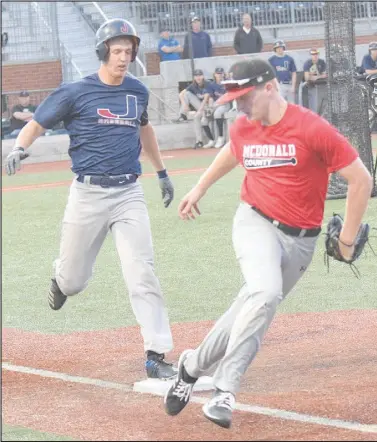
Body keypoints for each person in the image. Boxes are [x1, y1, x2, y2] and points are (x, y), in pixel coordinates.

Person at [163, 58, 372, 428]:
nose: (239, 106)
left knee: (251, 304)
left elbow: (361, 179)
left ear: (271, 88)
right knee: (265, 292)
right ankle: (225, 390)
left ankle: (191, 365)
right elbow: (232, 151)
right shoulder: (245, 126)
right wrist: (199, 187)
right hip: (255, 222)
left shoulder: (311, 128)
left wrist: (347, 239)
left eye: (245, 97)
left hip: (301, 242)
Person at [4, 19, 178, 381]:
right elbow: (37, 123)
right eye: (116, 51)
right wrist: (20, 147)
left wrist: (162, 173)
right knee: (74, 281)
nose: (123, 58)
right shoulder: (75, 92)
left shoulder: (136, 91)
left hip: (128, 193)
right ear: (102, 52)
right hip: (87, 195)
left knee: (141, 272)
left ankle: (156, 353)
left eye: (128, 52)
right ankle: (61, 280)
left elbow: (145, 129)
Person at [174, 69, 213, 149]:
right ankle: (199, 141)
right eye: (196, 76)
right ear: (194, 77)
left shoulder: (207, 83)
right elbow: (181, 94)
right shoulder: (194, 85)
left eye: (200, 75)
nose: (198, 77)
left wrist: (199, 111)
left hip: (209, 108)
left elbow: (206, 99)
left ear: (203, 76)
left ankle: (200, 141)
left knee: (196, 117)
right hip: (201, 107)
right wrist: (184, 105)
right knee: (187, 94)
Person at [201, 67, 232, 149]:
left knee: (217, 113)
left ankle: (220, 138)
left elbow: (228, 97)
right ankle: (211, 140)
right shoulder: (212, 84)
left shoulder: (227, 83)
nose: (220, 75)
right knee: (203, 120)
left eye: (221, 73)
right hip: (215, 104)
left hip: (225, 104)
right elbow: (210, 97)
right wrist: (210, 107)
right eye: (218, 73)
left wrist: (215, 105)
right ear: (215, 74)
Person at [302, 48, 327, 112]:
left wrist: (316, 77)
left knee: (322, 105)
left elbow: (325, 75)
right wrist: (318, 76)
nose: (315, 56)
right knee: (312, 105)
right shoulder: (307, 63)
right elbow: (307, 78)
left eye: (316, 54)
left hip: (321, 86)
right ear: (310, 55)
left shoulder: (322, 62)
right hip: (310, 87)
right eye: (313, 54)